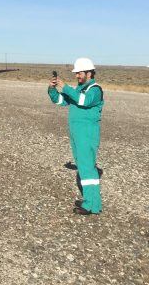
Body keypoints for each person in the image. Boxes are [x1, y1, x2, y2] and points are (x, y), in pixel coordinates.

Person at [48, 58, 104, 215]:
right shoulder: (78, 89)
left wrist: (64, 87)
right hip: (77, 135)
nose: (77, 76)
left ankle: (92, 205)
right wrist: (52, 89)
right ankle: (90, 200)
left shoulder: (95, 90)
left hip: (87, 136)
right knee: (84, 168)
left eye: (79, 73)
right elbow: (60, 101)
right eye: (77, 73)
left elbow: (84, 101)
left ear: (89, 73)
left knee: (87, 170)